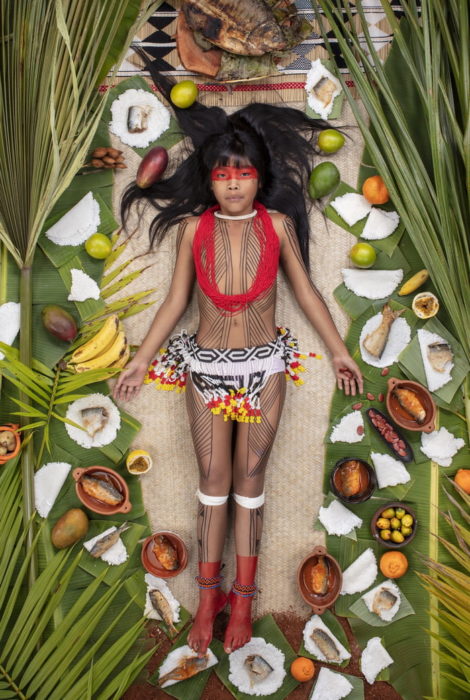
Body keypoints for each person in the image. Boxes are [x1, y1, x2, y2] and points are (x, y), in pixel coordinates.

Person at [114, 65, 363, 657]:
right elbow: (176, 300)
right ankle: (208, 597)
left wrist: (340, 350)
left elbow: (305, 294)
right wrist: (142, 360)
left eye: (243, 174)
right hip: (204, 371)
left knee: (250, 486)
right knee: (213, 483)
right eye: (223, 174)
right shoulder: (193, 230)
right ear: (210, 178)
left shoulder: (277, 226)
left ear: (259, 178)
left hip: (266, 371)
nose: (232, 185)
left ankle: (244, 600)